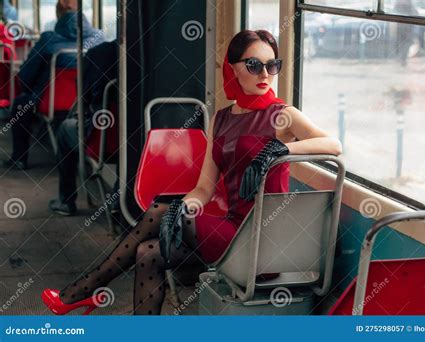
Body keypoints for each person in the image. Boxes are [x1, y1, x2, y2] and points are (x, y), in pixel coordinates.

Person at [41, 30, 342, 315]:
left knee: (160, 211)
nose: (265, 74)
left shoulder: (282, 114)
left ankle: (86, 288)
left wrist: (282, 150)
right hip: (233, 230)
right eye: (254, 65)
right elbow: (203, 190)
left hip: (266, 240)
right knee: (149, 252)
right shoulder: (221, 120)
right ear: (233, 68)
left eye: (271, 65)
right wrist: (184, 210)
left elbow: (333, 144)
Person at [2, 0, 103, 170]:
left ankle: (19, 158)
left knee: (20, 103)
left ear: (59, 13)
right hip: (86, 102)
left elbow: (26, 75)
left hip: (50, 103)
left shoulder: (49, 39)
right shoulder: (98, 39)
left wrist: (31, 90)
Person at [48, 40, 118, 216]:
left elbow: (83, 98)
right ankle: (119, 202)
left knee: (65, 128)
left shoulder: (98, 53)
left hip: (103, 142)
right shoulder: (155, 51)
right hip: (144, 142)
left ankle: (66, 201)